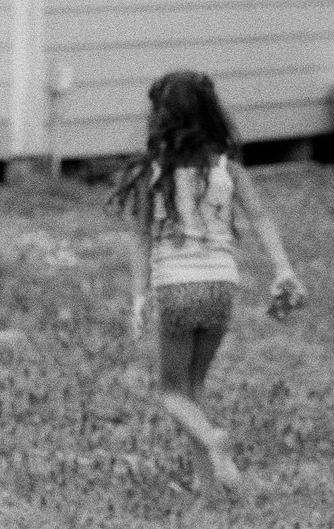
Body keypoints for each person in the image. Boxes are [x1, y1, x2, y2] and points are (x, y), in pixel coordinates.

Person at [112, 71, 306, 494]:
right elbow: (261, 218)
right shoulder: (228, 169)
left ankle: (214, 440)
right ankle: (210, 483)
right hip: (221, 286)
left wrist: (139, 296)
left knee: (168, 392)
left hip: (177, 289)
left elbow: (141, 237)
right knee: (194, 386)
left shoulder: (153, 176)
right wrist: (283, 268)